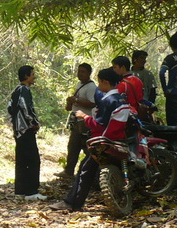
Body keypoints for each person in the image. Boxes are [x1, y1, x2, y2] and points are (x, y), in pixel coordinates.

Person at [50, 68, 131, 211]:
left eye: (99, 82)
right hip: (118, 141)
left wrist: (84, 117)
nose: (98, 86)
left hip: (104, 142)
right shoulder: (121, 99)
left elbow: (99, 125)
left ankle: (72, 203)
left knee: (85, 170)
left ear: (105, 82)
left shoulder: (108, 101)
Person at [9, 65, 45, 201]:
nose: (34, 77)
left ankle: (20, 191)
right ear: (26, 76)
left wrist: (15, 124)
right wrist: (34, 122)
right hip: (26, 130)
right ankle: (31, 192)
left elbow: (9, 108)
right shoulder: (24, 90)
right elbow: (26, 107)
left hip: (18, 130)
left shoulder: (16, 90)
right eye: (32, 74)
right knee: (33, 160)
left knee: (21, 160)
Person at [61, 63, 97, 178]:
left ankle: (88, 173)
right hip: (77, 121)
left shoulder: (91, 87)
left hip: (85, 122)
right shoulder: (79, 85)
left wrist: (76, 100)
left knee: (85, 148)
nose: (80, 74)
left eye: (83, 72)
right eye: (79, 71)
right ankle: (69, 171)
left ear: (89, 73)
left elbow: (93, 103)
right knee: (73, 146)